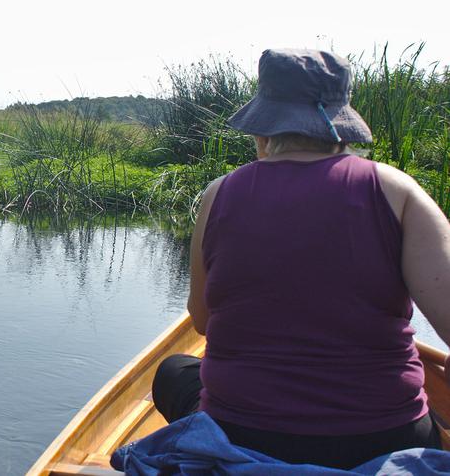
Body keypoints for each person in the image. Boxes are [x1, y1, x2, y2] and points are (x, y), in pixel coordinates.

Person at [151, 48, 450, 470]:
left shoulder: (219, 194)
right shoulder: (397, 191)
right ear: (341, 126)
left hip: (244, 434)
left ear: (264, 127)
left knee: (173, 371)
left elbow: (202, 322)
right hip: (383, 436)